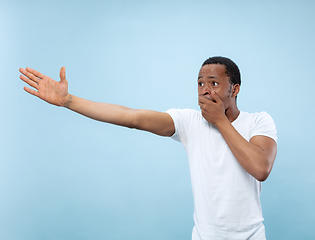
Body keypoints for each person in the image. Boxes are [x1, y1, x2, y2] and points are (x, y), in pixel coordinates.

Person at [19, 56, 277, 240]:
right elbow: (133, 118)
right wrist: (68, 101)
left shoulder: (259, 121)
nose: (204, 91)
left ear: (235, 89)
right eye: (200, 84)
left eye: (213, 83)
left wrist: (220, 120)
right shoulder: (189, 121)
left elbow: (260, 167)